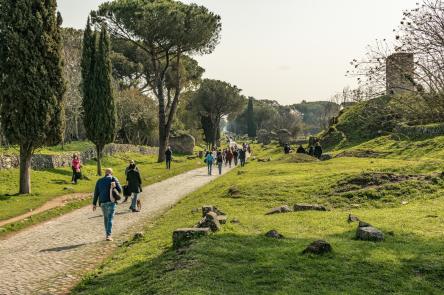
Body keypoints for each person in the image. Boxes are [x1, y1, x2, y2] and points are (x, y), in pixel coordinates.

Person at [93, 168, 122, 241]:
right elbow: (120, 190)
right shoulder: (113, 178)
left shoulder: (99, 181)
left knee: (106, 218)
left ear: (105, 173)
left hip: (102, 202)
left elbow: (96, 193)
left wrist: (94, 204)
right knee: (110, 218)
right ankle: (108, 235)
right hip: (111, 201)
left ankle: (107, 234)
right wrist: (114, 186)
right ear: (111, 173)